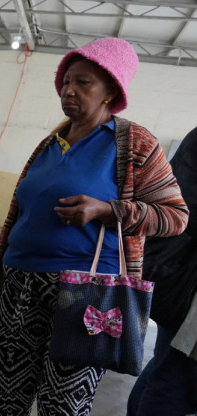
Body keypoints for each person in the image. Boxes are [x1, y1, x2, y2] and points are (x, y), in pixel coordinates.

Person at [0, 38, 188, 416]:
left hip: (85, 297)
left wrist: (106, 209)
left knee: (63, 406)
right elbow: (18, 217)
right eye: (66, 81)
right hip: (21, 288)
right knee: (6, 402)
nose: (68, 89)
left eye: (83, 82)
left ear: (110, 91)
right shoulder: (49, 144)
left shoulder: (135, 143)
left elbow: (175, 217)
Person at [127, 126, 197, 416]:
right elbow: (186, 213)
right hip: (185, 283)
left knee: (168, 367)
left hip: (182, 278)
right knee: (176, 380)